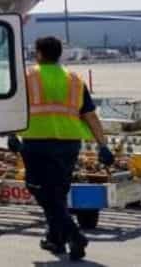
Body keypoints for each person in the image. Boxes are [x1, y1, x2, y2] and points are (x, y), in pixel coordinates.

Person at [11, 36, 114, 261]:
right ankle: (56, 240)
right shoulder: (75, 79)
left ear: (38, 53)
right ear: (58, 54)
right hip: (69, 143)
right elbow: (90, 115)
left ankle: (75, 235)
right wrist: (103, 145)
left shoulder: (28, 77)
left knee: (40, 190)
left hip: (37, 141)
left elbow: (12, 109)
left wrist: (11, 134)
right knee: (57, 193)